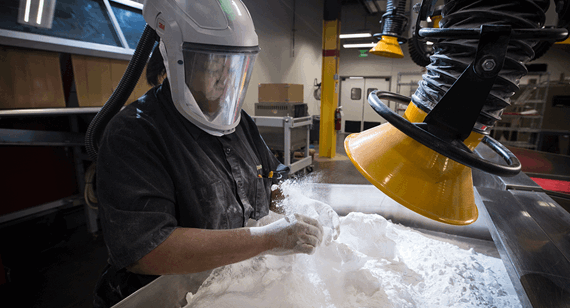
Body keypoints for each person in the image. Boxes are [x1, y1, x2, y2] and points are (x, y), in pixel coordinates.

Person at [92, 1, 325, 307]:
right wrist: (269, 238)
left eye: (236, 66)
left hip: (231, 281)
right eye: (215, 64)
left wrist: (298, 202)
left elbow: (271, 177)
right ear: (178, 59)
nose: (227, 78)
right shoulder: (133, 135)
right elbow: (148, 249)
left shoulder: (240, 125)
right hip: (168, 297)